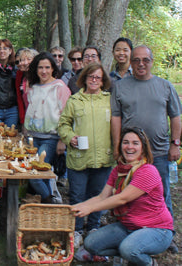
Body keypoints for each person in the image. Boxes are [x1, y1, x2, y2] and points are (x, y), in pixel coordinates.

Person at [111, 46, 181, 254]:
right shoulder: (120, 86)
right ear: (130, 62)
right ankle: (134, 231)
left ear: (152, 61)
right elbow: (116, 117)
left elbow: (176, 116)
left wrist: (175, 144)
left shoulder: (165, 86)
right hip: (130, 153)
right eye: (136, 60)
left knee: (162, 193)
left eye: (145, 60)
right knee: (127, 193)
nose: (141, 64)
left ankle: (166, 235)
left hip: (158, 151)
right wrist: (117, 146)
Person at [72, 127, 174, 266]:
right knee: (91, 244)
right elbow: (102, 197)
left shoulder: (147, 171)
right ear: (120, 146)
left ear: (143, 148)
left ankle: (148, 262)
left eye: (135, 143)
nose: (129, 147)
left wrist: (90, 209)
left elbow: (122, 198)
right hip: (128, 226)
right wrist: (79, 206)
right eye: (125, 142)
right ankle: (132, 250)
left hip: (157, 229)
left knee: (128, 249)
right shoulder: (118, 170)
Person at [58, 63, 114, 247]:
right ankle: (77, 230)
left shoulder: (109, 100)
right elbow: (63, 124)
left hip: (103, 157)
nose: (94, 80)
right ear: (84, 79)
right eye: (91, 77)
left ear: (103, 80)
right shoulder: (75, 100)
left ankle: (94, 228)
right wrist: (70, 137)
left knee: (98, 195)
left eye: (98, 77)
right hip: (79, 158)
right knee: (77, 196)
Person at [24, 52, 70, 203]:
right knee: (39, 174)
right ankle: (46, 209)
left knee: (35, 174)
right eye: (40, 67)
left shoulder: (60, 87)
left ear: (53, 69)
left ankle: (51, 202)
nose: (44, 71)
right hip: (31, 138)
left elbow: (66, 115)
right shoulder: (34, 87)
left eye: (47, 67)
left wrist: (62, 140)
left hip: (50, 138)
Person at [14, 48, 39, 125]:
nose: (24, 63)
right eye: (22, 60)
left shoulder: (40, 76)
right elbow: (20, 99)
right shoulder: (22, 77)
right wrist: (23, 120)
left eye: (28, 59)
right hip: (27, 118)